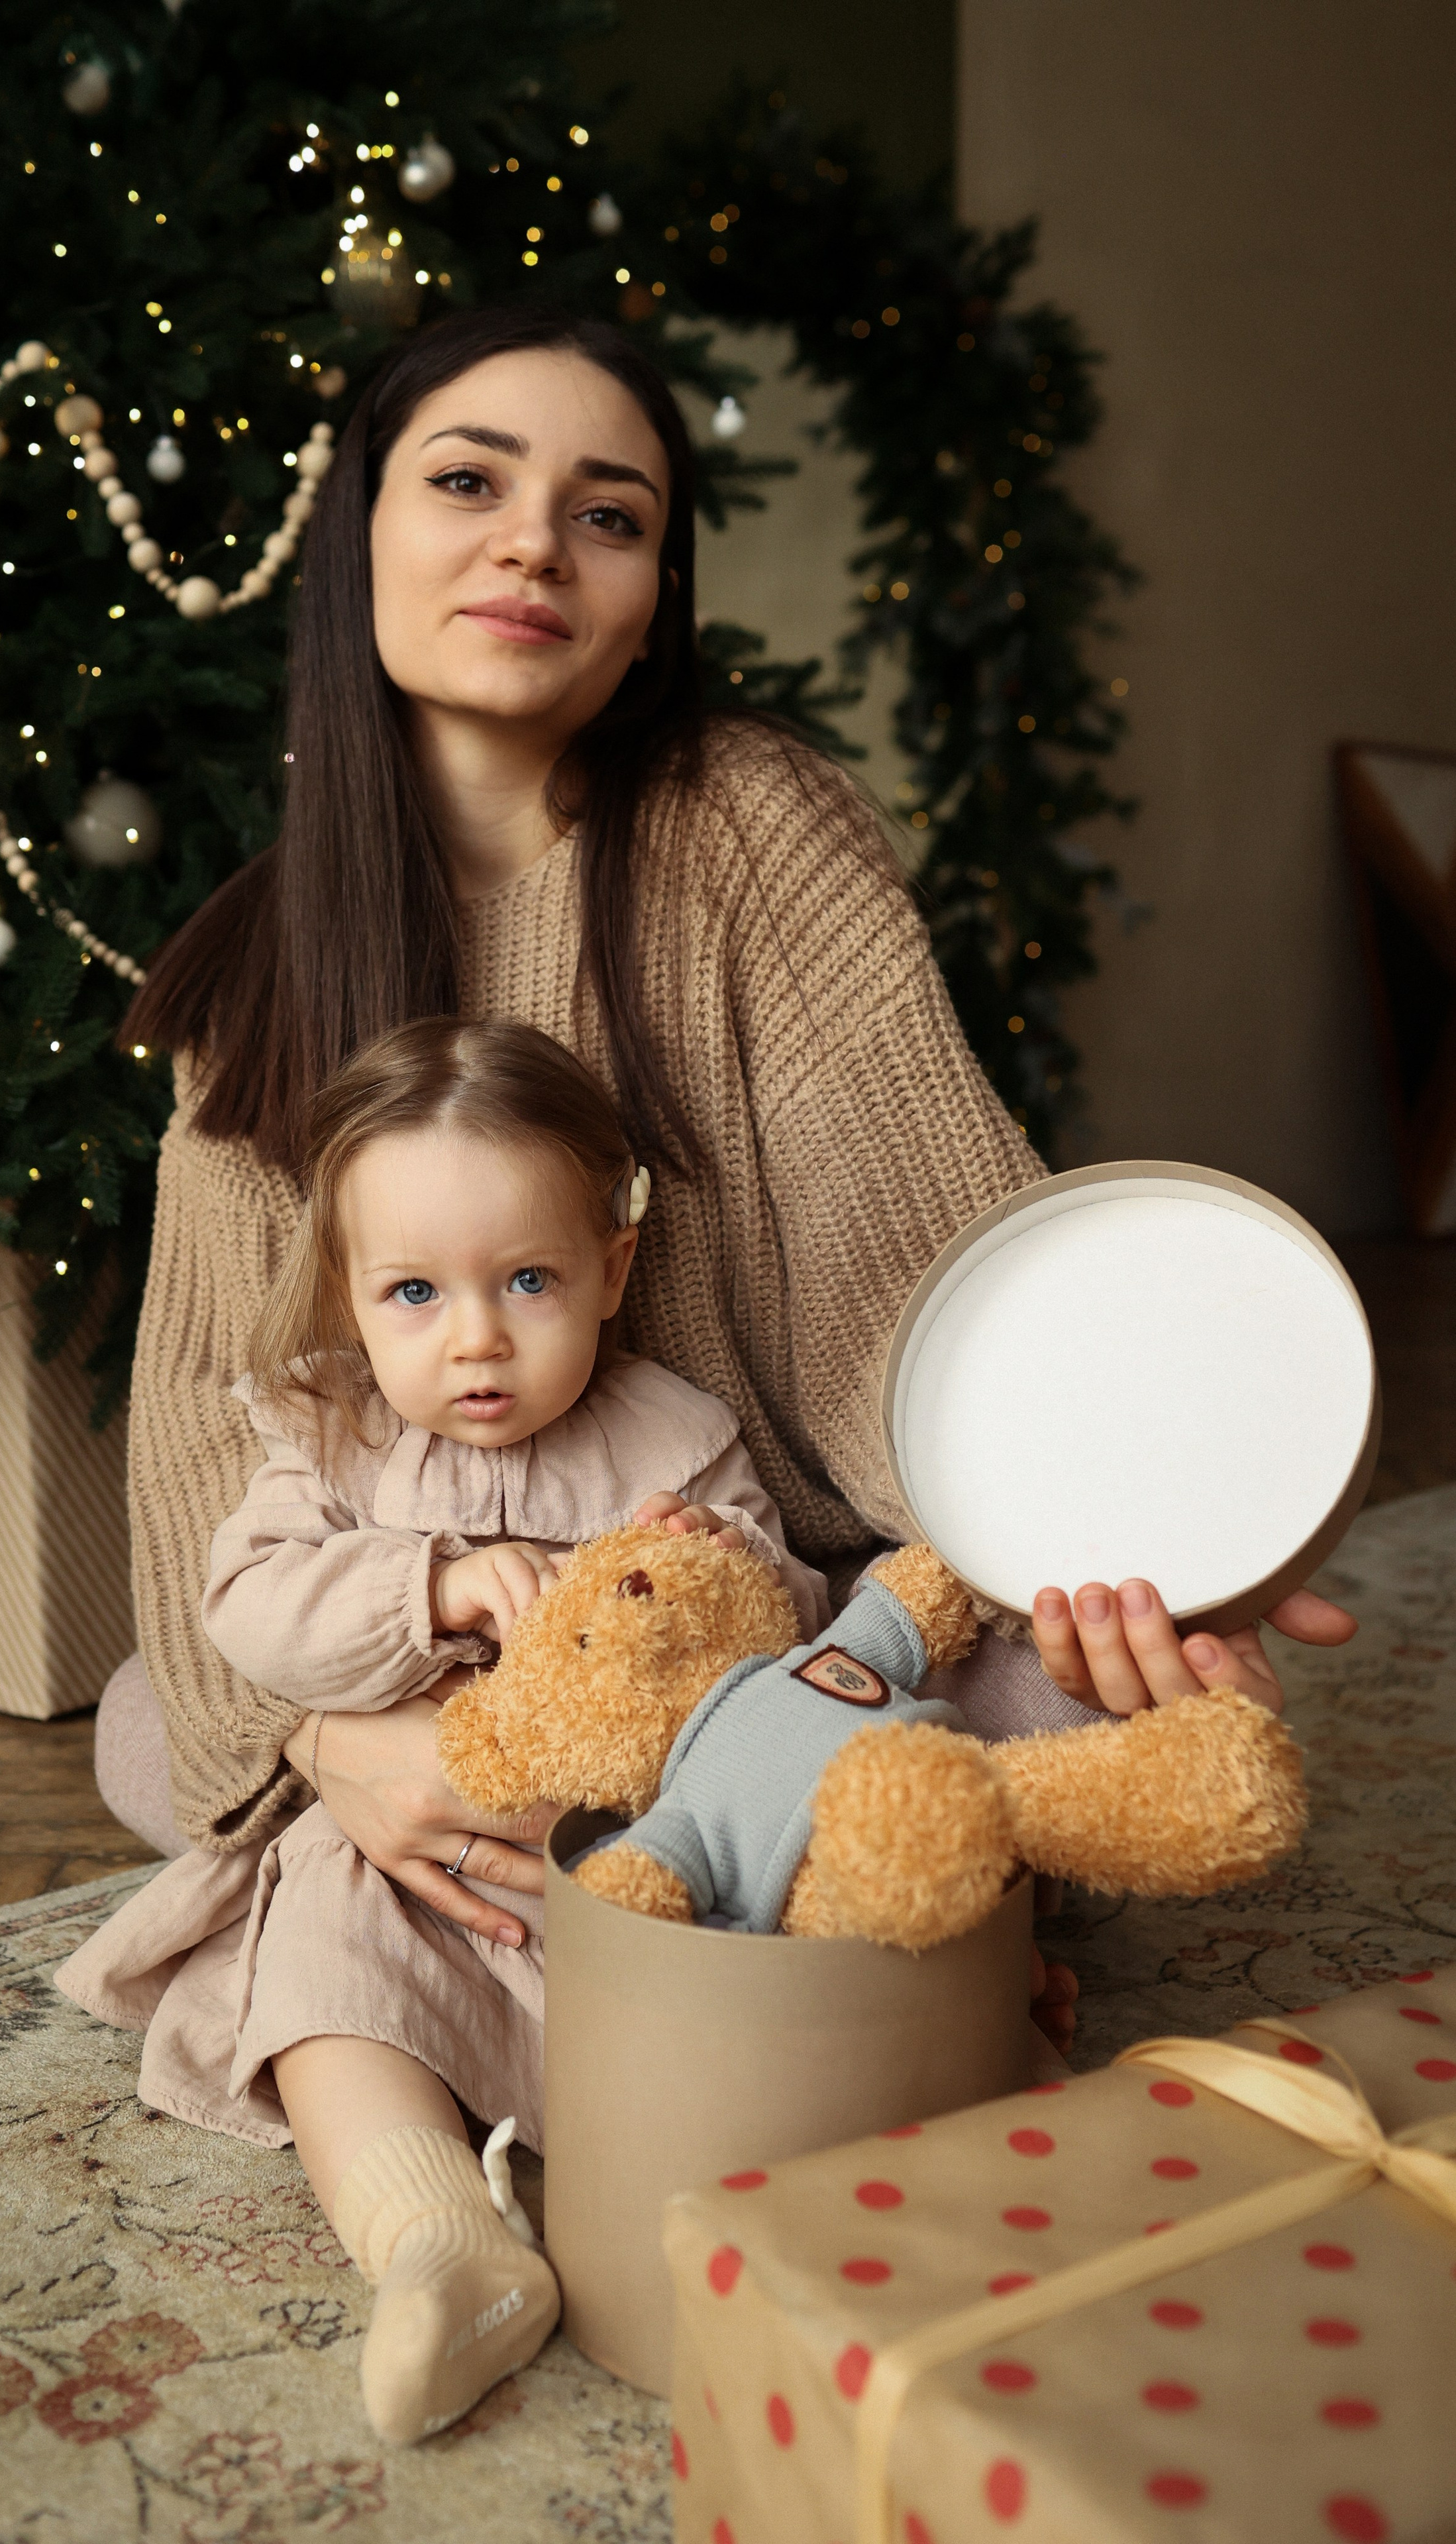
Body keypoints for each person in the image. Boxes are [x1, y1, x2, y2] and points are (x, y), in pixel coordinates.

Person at [93, 300, 1352, 2166]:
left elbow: (930, 1255)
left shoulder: (751, 825)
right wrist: (332, 1754)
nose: (535, 544)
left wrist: (1139, 1528)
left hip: (782, 1624)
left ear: (651, 600)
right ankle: (826, 1901)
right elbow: (212, 1440)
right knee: (153, 1722)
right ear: (359, 533)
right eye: (468, 484)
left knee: (1045, 1691)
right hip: (453, 1650)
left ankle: (722, 1867)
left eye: (607, 515)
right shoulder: (253, 974)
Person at [60, 1016, 835, 2441]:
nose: (475, 1337)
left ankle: (722, 2140)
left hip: (605, 1858)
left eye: (528, 1280)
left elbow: (782, 1627)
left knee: (743, 1944)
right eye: (413, 1292)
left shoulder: (671, 1438)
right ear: (349, 1298)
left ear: (611, 1271)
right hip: (396, 1856)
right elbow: (244, 1606)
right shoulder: (329, 1434)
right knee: (318, 1951)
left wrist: (708, 1578)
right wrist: (426, 1584)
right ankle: (434, 2240)